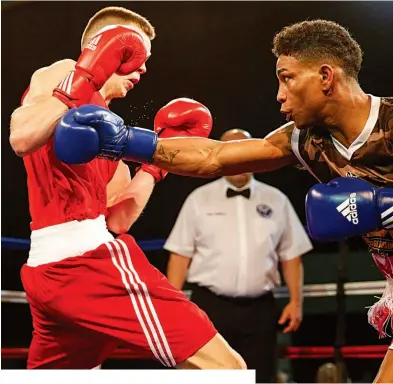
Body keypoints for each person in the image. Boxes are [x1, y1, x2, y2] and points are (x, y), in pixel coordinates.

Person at [52, 19, 393, 383]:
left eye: (287, 78)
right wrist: (127, 143)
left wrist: (382, 205)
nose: (278, 95)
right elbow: (217, 157)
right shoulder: (304, 140)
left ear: (325, 76)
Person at [9, 6, 245, 370]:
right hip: (84, 262)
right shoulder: (61, 75)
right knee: (226, 369)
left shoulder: (107, 136)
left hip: (51, 273)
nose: (144, 68)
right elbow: (21, 137)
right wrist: (82, 78)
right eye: (135, 54)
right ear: (106, 47)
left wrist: (153, 168)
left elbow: (117, 219)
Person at [164, 129, 313, 382]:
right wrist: (171, 308)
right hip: (209, 306)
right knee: (209, 376)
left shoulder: (276, 199)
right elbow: (180, 255)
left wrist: (296, 301)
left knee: (261, 375)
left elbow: (291, 254)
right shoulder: (199, 199)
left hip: (260, 309)